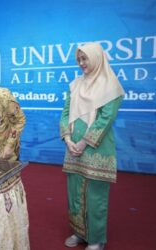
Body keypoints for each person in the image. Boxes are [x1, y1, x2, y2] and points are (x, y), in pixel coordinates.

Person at [60, 42, 125, 250]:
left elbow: (105, 119)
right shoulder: (75, 85)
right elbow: (65, 113)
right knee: (74, 194)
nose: (81, 63)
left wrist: (82, 142)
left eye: (85, 58)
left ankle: (96, 239)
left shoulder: (111, 86)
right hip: (73, 150)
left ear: (96, 57)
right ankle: (80, 232)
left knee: (95, 197)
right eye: (79, 59)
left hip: (97, 149)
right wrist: (68, 139)